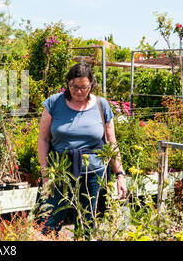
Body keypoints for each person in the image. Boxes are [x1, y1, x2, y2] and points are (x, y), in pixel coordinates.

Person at [37, 63, 127, 235]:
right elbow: (43, 139)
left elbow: (111, 142)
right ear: (68, 84)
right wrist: (45, 173)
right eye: (74, 87)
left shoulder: (102, 105)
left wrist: (120, 175)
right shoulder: (54, 103)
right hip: (60, 171)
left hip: (93, 173)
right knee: (50, 221)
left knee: (87, 221)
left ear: (91, 84)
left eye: (83, 87)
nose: (78, 91)